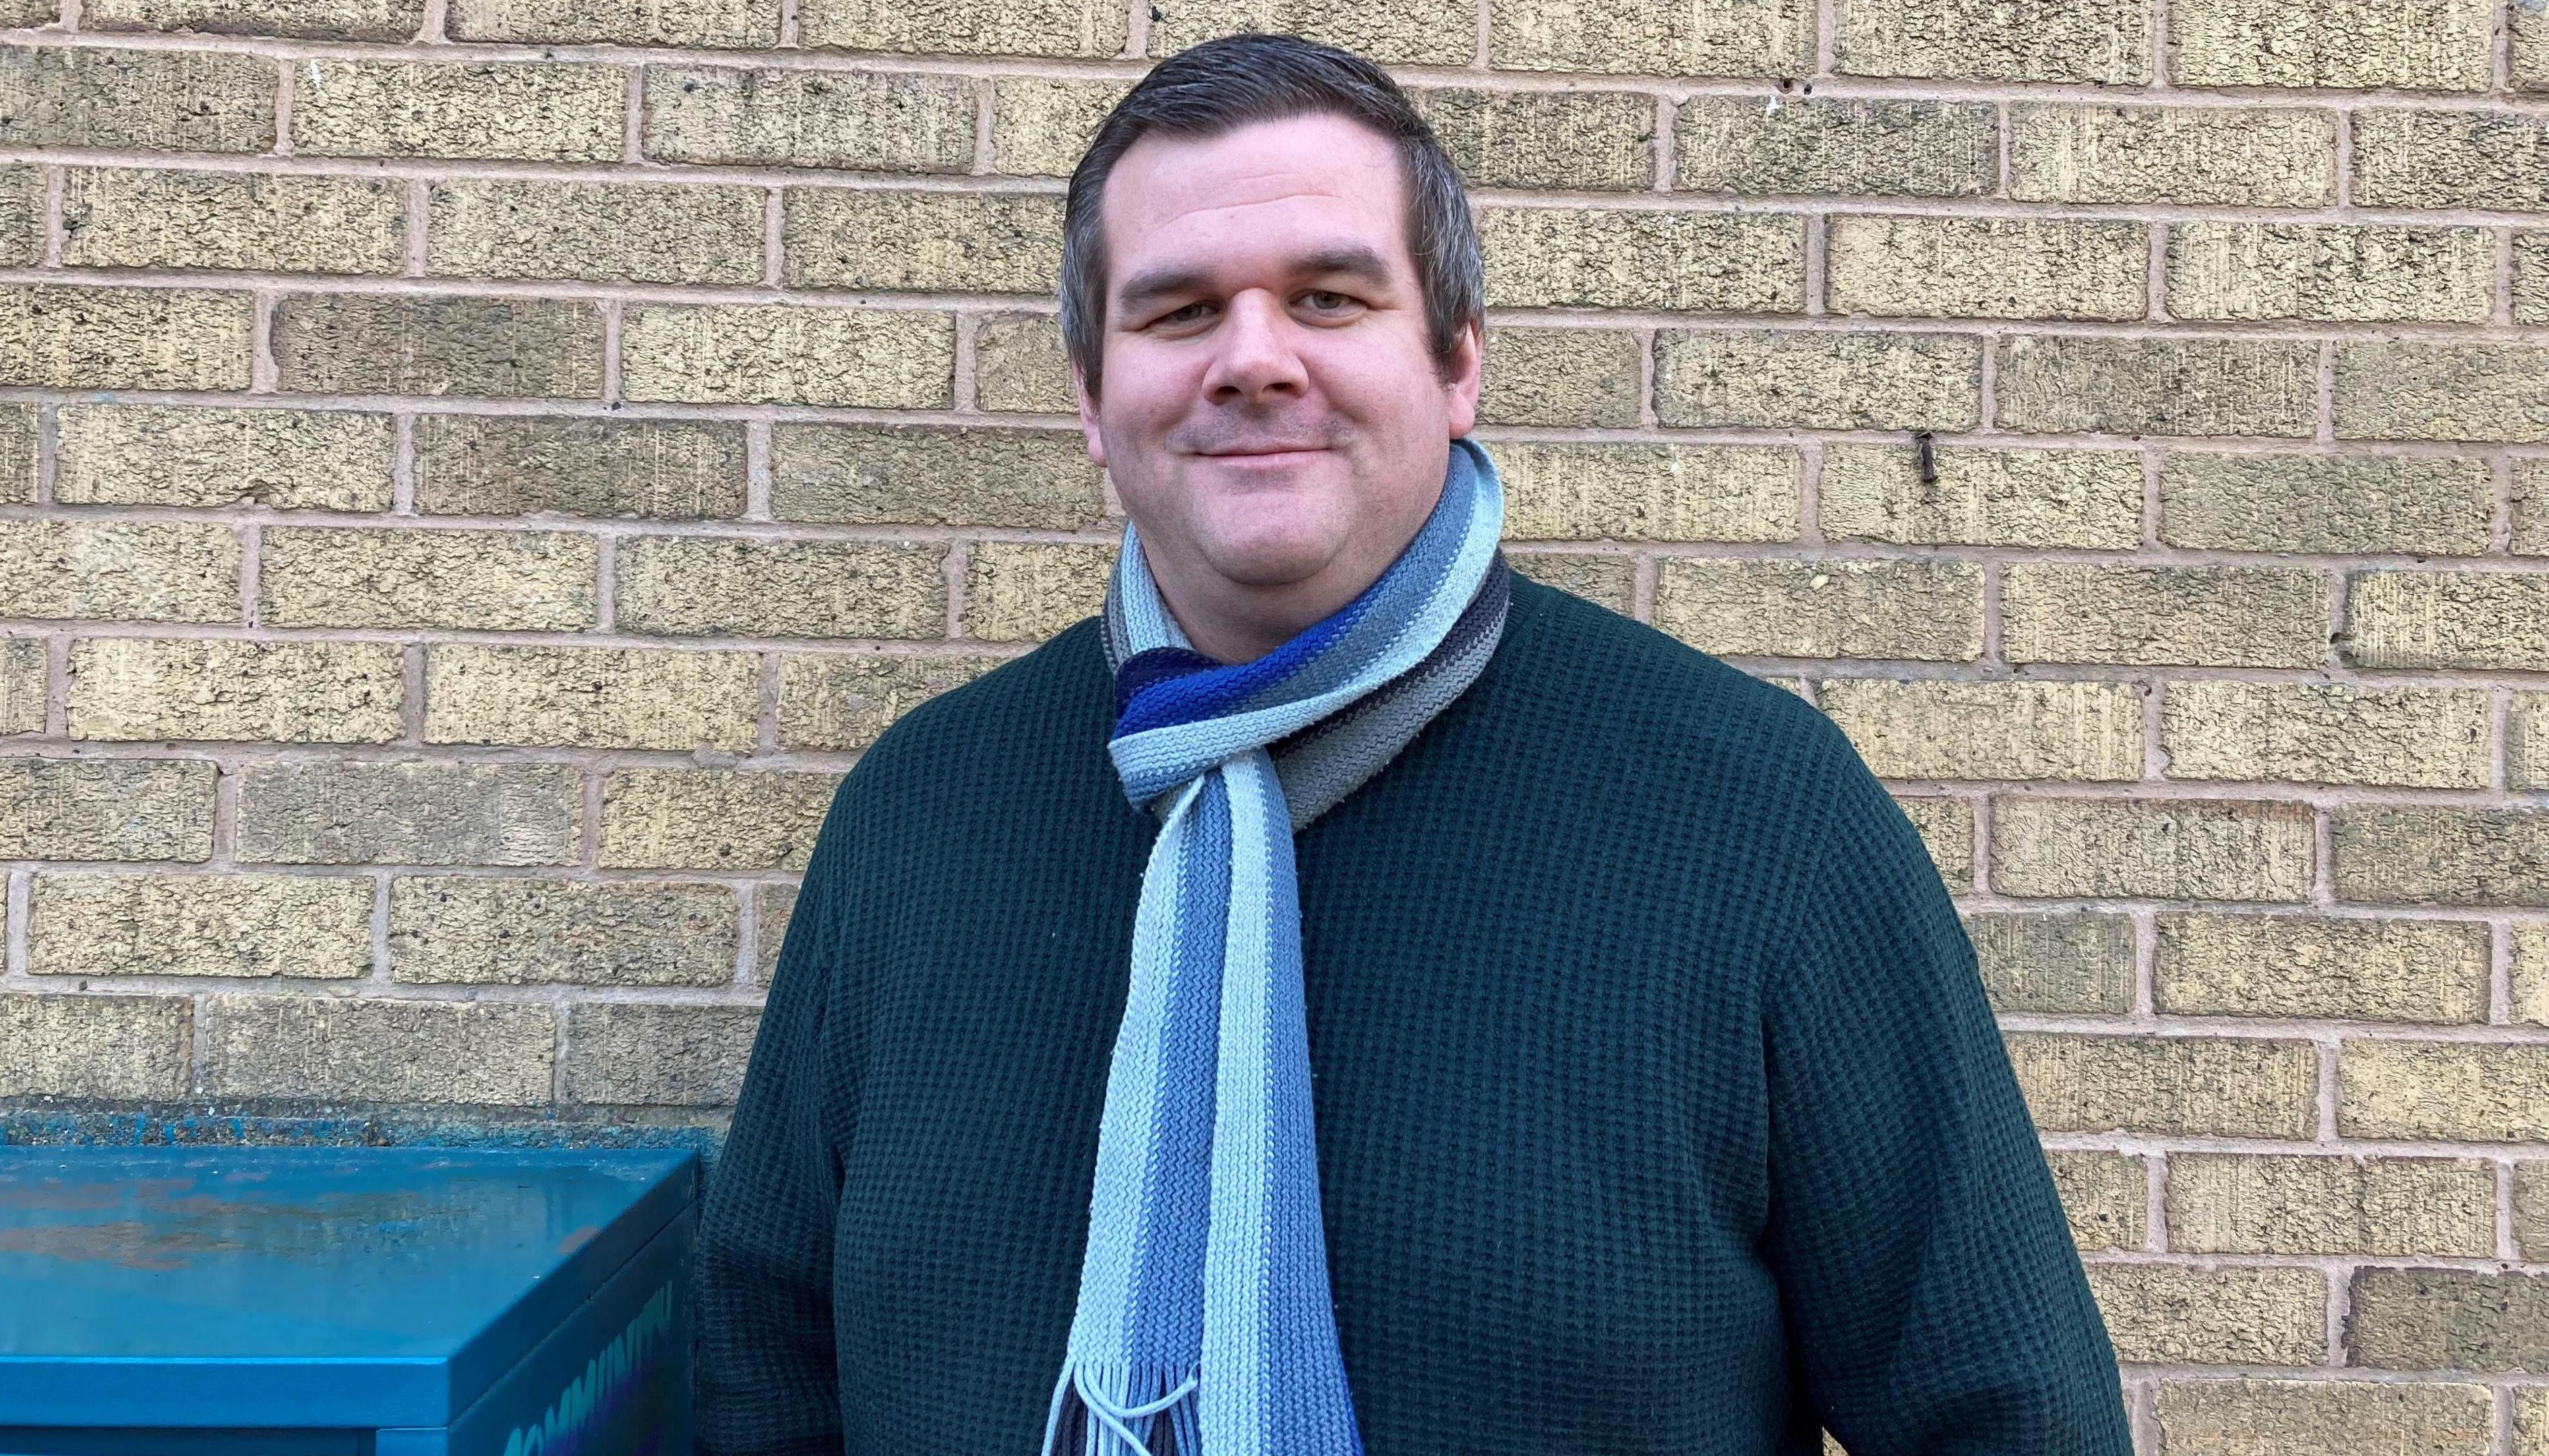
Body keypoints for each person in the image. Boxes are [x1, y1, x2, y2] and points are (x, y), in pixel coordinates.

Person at [693, 32, 2130, 1456]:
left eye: (1328, 297)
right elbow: (769, 1373)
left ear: (1455, 365)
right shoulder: (921, 818)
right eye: (1179, 312)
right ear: (1090, 395)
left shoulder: (1759, 824)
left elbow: (2011, 1417)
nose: (1254, 359)